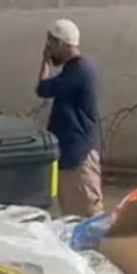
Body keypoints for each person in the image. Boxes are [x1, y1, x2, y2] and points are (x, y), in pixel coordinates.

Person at [35, 20, 102, 218]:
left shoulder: (79, 71)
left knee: (86, 217)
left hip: (78, 158)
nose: (48, 49)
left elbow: (43, 88)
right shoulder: (74, 70)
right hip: (71, 156)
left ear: (60, 44)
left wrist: (45, 62)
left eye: (51, 45)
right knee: (72, 217)